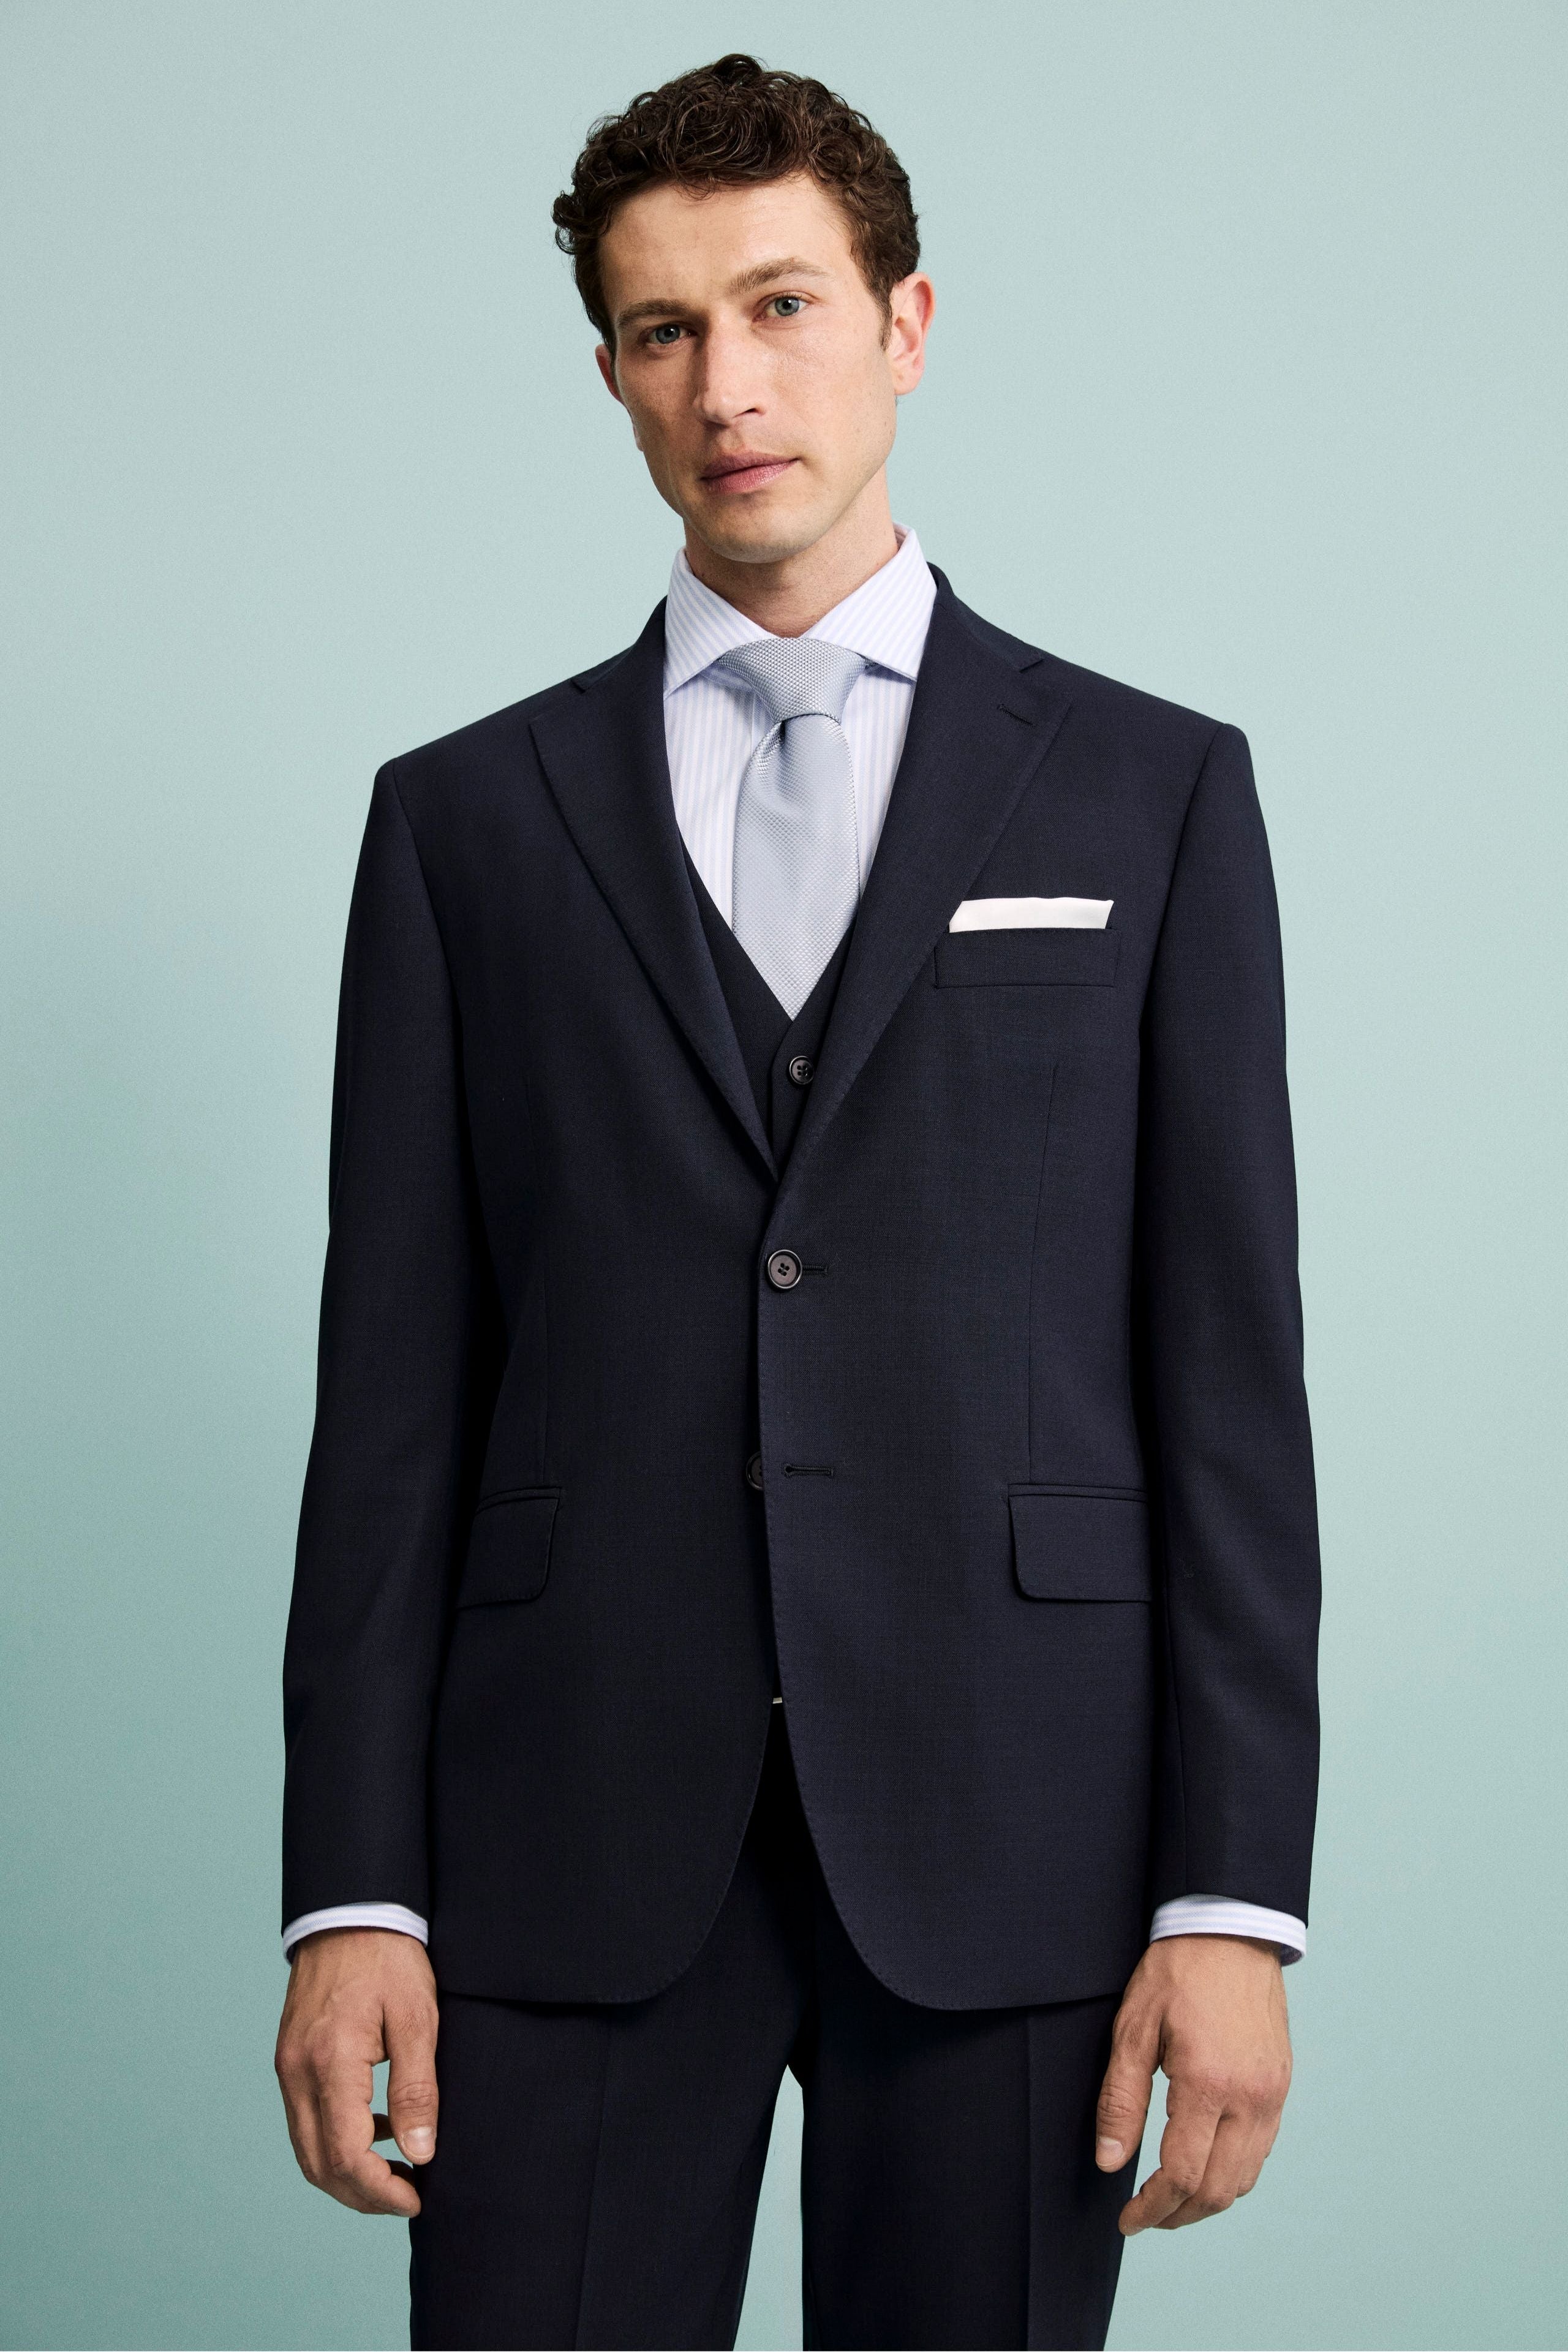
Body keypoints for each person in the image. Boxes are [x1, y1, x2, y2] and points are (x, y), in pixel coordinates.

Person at [274, 53, 1320, 2352]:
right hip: (560, 1834)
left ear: (906, 323)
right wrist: (351, 1897)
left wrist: (1233, 1898)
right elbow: (393, 1409)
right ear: (612, 375)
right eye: (663, 330)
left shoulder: (1149, 794)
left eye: (781, 306)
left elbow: (1231, 1386)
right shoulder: (463, 825)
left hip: (1020, 1830)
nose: (728, 387)